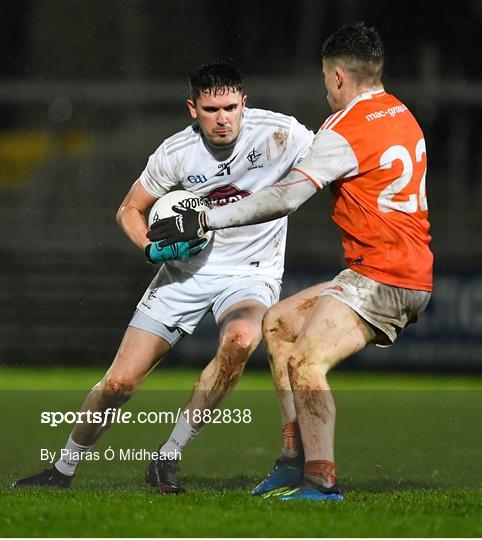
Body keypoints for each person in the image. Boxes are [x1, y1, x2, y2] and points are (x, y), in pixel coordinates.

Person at [147, 23, 433, 502]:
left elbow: (285, 198)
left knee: (306, 362)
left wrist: (205, 217)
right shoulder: (400, 112)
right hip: (385, 269)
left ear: (339, 76)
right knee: (278, 325)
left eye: (326, 78)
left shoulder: (347, 129)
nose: (326, 88)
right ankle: (291, 458)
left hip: (385, 278)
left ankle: (320, 481)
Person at [12, 61, 314, 493]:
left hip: (250, 273)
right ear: (192, 108)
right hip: (183, 274)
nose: (223, 118)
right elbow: (128, 210)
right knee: (119, 383)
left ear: (245, 103)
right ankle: (61, 470)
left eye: (231, 107)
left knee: (241, 340)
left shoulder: (280, 135)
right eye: (211, 109)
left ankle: (168, 456)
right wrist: (152, 249)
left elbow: (332, 157)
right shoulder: (175, 153)